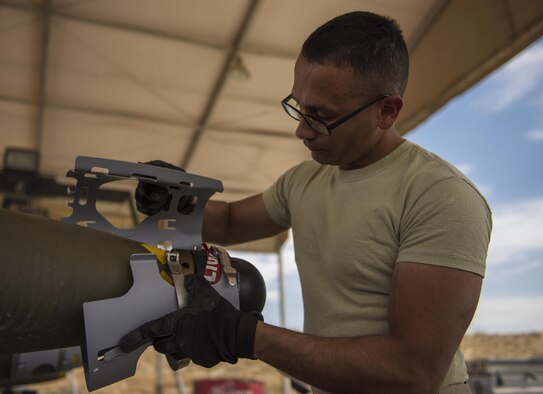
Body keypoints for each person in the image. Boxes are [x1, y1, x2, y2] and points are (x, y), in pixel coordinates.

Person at [122, 11, 492, 394]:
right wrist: (179, 201)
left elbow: (411, 372)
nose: (301, 129)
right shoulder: (306, 180)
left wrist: (247, 336)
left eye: (320, 116)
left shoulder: (439, 196)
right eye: (298, 106)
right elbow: (231, 222)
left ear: (387, 111)